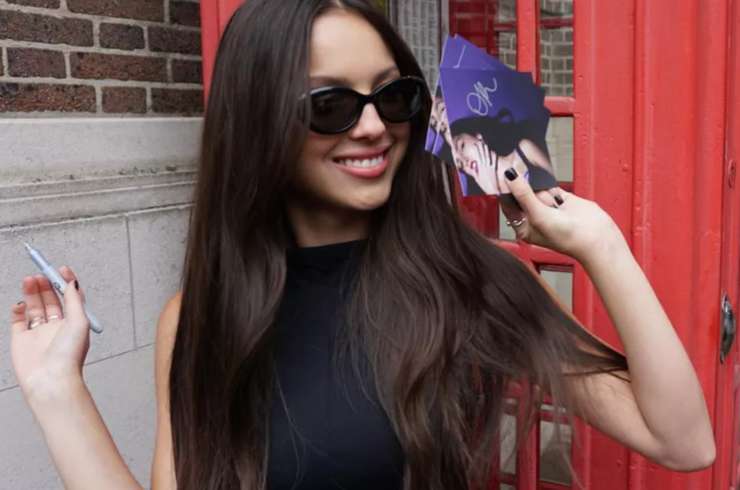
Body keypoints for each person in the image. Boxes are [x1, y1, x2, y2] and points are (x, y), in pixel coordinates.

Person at [8, 1, 715, 489]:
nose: (374, 126)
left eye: (392, 95)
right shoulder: (195, 318)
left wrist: (602, 246)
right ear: (258, 124)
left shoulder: (468, 280)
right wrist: (57, 390)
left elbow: (683, 442)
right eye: (332, 105)